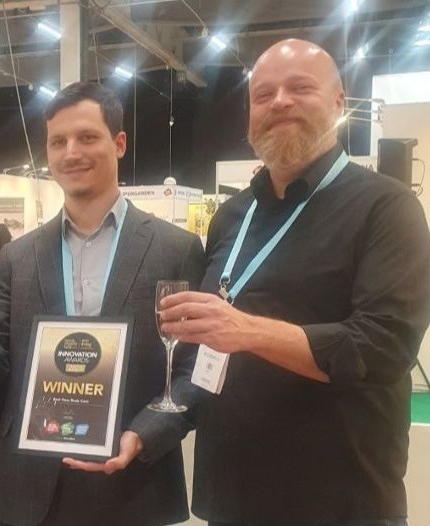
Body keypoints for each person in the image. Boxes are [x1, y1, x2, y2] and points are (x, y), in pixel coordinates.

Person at [158, 39, 430, 526]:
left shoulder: (387, 208)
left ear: (339, 103)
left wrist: (247, 331)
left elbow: (384, 346)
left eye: (300, 88)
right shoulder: (231, 216)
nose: (279, 102)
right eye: (262, 95)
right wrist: (147, 428)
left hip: (338, 504)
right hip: (232, 501)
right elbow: (206, 360)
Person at [0, 82, 205, 526]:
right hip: (28, 489)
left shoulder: (175, 249)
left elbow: (195, 368)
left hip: (133, 486)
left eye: (87, 137)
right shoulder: (17, 257)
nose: (71, 153)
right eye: (58, 142)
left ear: (119, 143)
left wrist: (145, 433)